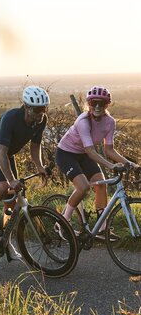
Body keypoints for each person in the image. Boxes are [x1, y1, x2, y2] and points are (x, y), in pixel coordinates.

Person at [0, 85, 50, 258]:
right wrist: (10, 180)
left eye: (44, 109)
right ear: (27, 107)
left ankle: (5, 241)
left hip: (7, 155)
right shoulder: (11, 118)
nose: (41, 113)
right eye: (38, 109)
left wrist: (39, 166)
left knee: (11, 200)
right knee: (2, 187)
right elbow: (0, 152)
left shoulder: (41, 120)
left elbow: (35, 146)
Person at [56, 85, 138, 240]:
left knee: (101, 184)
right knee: (83, 187)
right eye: (94, 103)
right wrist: (112, 165)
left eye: (101, 103)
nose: (98, 106)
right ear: (89, 104)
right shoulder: (83, 121)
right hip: (66, 154)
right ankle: (62, 222)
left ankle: (101, 228)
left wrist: (129, 163)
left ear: (107, 104)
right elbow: (90, 151)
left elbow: (109, 150)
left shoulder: (110, 122)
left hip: (83, 154)